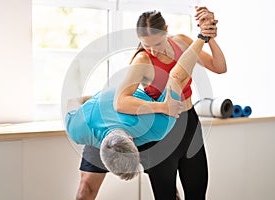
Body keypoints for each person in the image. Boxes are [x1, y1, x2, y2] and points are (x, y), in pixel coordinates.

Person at [75, 6, 226, 200]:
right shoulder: (142, 60)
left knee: (197, 194)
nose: (154, 50)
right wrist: (163, 107)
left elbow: (219, 67)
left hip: (189, 124)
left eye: (158, 42)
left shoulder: (182, 42)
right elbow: (120, 102)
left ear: (167, 30)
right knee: (166, 196)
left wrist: (208, 36)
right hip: (161, 131)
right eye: (147, 45)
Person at [66, 29, 207, 180]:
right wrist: (201, 38)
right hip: (113, 97)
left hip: (118, 96)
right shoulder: (76, 131)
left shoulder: (77, 130)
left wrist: (201, 38)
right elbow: (177, 77)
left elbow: (177, 77)